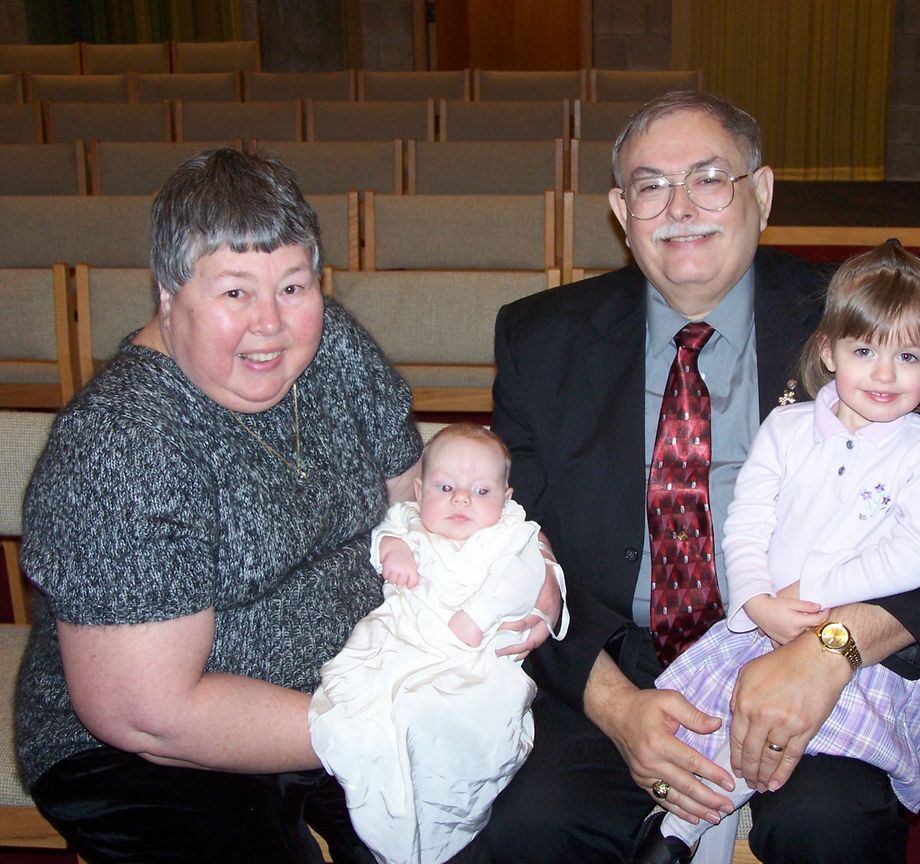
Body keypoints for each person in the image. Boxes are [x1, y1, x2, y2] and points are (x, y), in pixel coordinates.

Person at [449, 91, 920, 863]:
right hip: (618, 658)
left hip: (805, 639)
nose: (680, 207)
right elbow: (510, 545)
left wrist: (836, 647)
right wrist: (614, 705)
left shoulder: (848, 320)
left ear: (762, 193)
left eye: (710, 178)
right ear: (622, 212)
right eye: (651, 186)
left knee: (832, 825)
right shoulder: (541, 337)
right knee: (529, 828)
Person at [13, 148, 558, 864]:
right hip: (158, 761)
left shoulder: (332, 346)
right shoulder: (122, 444)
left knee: (518, 832)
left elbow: (420, 498)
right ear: (168, 293)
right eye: (235, 292)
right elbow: (150, 716)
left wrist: (525, 560)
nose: (270, 324)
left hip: (365, 675)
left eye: (293, 286)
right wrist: (389, 727)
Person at [640, 241, 920, 859]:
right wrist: (756, 600)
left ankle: (686, 830)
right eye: (864, 351)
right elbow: (746, 522)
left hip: (852, 649)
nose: (885, 374)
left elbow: (915, 554)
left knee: (793, 736)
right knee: (708, 723)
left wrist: (811, 591)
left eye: (908, 356)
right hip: (767, 622)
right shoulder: (786, 427)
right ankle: (682, 830)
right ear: (828, 351)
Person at [310, 423, 568, 864]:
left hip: (474, 656)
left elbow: (523, 578)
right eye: (445, 487)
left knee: (461, 717)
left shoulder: (510, 533)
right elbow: (384, 532)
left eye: (481, 491)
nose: (461, 499)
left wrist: (478, 615)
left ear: (506, 498)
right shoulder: (408, 519)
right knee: (365, 706)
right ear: (419, 490)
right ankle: (394, 818)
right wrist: (394, 551)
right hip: (404, 636)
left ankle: (435, 823)